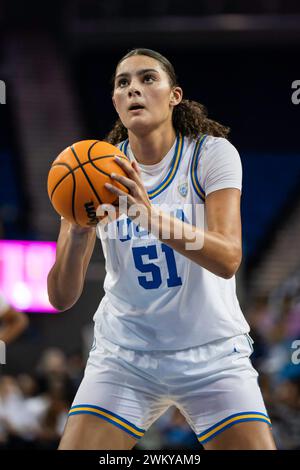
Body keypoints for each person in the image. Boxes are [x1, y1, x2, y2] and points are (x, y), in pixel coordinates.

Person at [48, 48, 276, 450]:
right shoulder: (92, 171)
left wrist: (149, 216)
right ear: (116, 102)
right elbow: (61, 298)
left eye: (147, 78)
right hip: (125, 357)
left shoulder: (210, 154)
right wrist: (78, 230)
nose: (134, 88)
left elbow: (228, 259)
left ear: (175, 95)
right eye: (123, 83)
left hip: (212, 356)